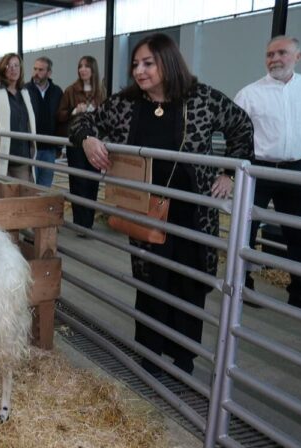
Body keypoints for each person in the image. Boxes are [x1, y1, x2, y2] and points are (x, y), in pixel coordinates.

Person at [69, 33, 253, 375]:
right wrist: (88, 138)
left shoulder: (202, 98)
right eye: (136, 64)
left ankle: (184, 357)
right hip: (146, 208)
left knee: (191, 279)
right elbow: (81, 121)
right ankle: (150, 354)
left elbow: (241, 126)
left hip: (193, 210)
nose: (139, 71)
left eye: (148, 63)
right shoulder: (125, 103)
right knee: (151, 277)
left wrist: (230, 171)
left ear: (168, 62)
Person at [234, 35, 301, 310]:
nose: (274, 59)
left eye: (282, 53)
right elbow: (235, 135)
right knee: (246, 229)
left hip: (297, 171)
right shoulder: (249, 94)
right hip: (259, 171)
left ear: (297, 56)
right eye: (269, 54)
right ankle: (243, 283)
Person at [57, 56, 106, 230]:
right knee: (78, 181)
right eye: (80, 66)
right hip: (77, 143)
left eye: (86, 66)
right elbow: (60, 115)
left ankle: (89, 222)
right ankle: (79, 223)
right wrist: (74, 110)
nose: (82, 69)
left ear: (93, 69)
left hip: (96, 143)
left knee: (93, 181)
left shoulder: (101, 91)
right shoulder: (71, 90)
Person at [0, 53, 37, 182]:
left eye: (16, 66)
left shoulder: (25, 93)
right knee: (0, 194)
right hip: (0, 154)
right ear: (2, 69)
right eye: (9, 66)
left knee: (22, 194)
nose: (13, 69)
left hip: (22, 156)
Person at [26, 57, 63, 187]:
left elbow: (60, 119)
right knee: (31, 185)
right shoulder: (25, 90)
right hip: (31, 147)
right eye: (35, 69)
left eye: (41, 70)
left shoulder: (57, 92)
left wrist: (59, 145)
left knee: (45, 186)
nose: (36, 72)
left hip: (49, 148)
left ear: (49, 73)